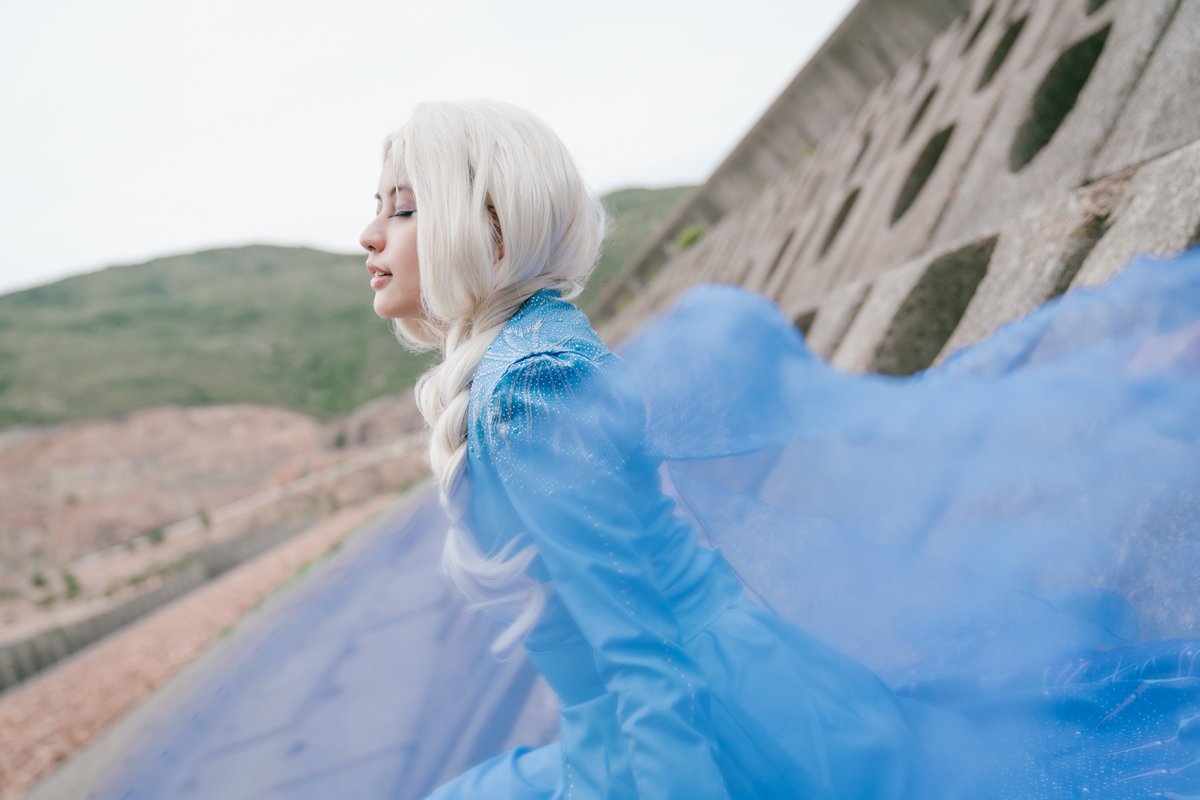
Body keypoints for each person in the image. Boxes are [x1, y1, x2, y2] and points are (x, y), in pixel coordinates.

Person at [360, 100, 1200, 799]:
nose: (369, 235)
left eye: (401, 209)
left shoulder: (524, 387)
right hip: (700, 700)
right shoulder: (536, 346)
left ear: (492, 231)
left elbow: (643, 658)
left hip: (715, 732)